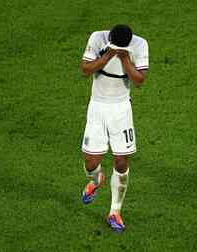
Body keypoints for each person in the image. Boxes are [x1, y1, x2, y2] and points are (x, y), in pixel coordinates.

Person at [80, 24, 149, 232]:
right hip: (97, 107)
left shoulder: (140, 44)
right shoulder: (97, 38)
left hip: (121, 110)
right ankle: (96, 179)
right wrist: (107, 56)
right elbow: (85, 70)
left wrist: (125, 59)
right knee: (91, 162)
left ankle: (115, 211)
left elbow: (139, 80)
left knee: (121, 161)